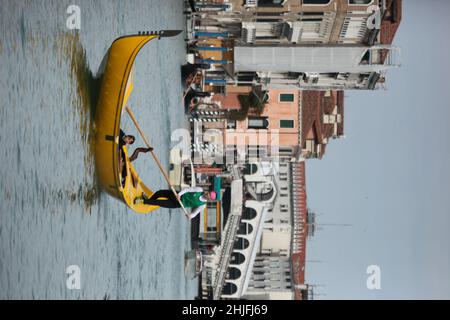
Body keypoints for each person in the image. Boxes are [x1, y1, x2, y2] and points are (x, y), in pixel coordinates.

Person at [134, 187, 217, 220]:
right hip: (177, 194)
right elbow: (188, 189)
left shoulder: (202, 205)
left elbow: (195, 213)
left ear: (209, 199)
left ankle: (143, 201)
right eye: (208, 193)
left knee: (159, 203)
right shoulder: (199, 190)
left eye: (209, 196)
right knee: (159, 193)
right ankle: (149, 200)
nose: (207, 194)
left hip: (177, 204)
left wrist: (190, 216)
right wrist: (179, 194)